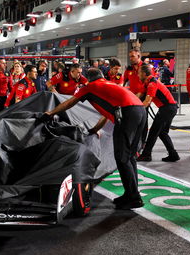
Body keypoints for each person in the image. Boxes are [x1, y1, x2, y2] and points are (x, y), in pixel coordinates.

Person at [44, 68, 146, 210]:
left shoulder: (90, 87)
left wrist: (50, 112)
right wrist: (94, 130)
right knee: (130, 156)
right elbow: (106, 114)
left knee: (122, 157)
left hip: (128, 113)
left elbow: (70, 103)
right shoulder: (108, 85)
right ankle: (131, 193)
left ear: (89, 78)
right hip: (140, 110)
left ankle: (134, 198)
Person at [136, 65, 180, 162]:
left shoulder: (152, 83)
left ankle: (146, 155)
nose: (138, 75)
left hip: (167, 108)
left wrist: (134, 111)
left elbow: (147, 102)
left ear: (144, 73)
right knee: (162, 132)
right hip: (169, 108)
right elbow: (138, 96)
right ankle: (173, 154)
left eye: (139, 73)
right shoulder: (147, 83)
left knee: (153, 132)